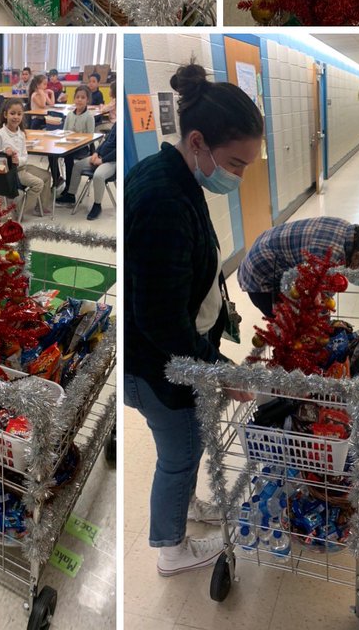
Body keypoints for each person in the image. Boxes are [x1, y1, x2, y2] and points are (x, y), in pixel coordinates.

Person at [125, 63, 264, 576]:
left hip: (172, 355)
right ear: (199, 141)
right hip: (159, 368)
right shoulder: (164, 198)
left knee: (186, 448)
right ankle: (169, 548)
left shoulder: (173, 173)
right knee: (180, 454)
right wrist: (217, 368)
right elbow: (160, 319)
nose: (238, 175)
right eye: (235, 163)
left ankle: (184, 509)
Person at [238, 218, 359, 319]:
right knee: (289, 331)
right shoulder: (330, 257)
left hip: (266, 247)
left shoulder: (348, 232)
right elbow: (314, 302)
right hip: (262, 276)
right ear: (357, 258)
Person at [0, 96, 53, 214]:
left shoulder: (21, 134)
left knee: (47, 175)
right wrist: (6, 155)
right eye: (12, 113)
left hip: (22, 167)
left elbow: (25, 156)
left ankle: (41, 206)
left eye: (19, 114)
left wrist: (18, 160)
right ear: (5, 115)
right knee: (38, 183)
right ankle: (20, 211)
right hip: (11, 172)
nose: (16, 117)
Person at [58, 123, 117, 221]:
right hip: (100, 156)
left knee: (98, 176)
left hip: (112, 161)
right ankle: (70, 195)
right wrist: (96, 153)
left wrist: (102, 160)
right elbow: (106, 141)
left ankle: (97, 205)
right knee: (77, 166)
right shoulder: (116, 124)